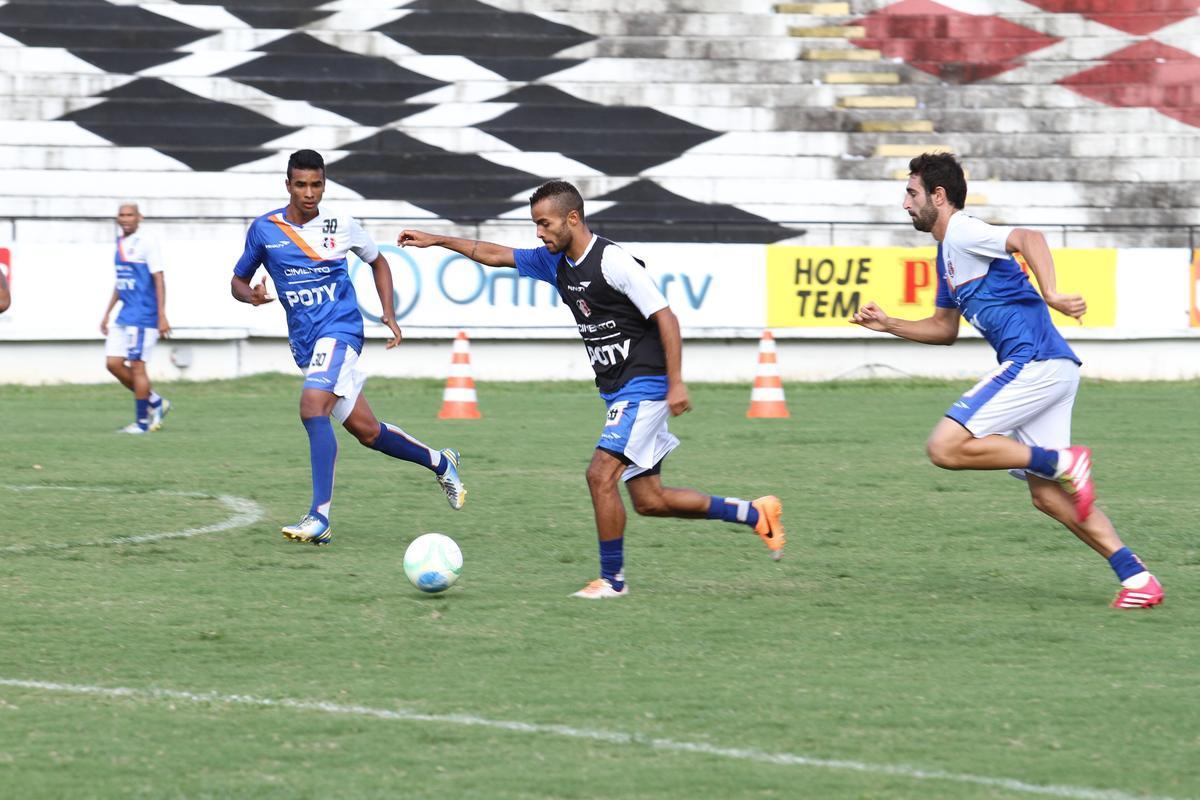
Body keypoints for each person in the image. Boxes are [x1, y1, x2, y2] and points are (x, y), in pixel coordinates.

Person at [398, 180, 785, 599]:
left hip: (646, 384)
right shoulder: (555, 262)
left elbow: (666, 318)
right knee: (650, 500)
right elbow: (495, 255)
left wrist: (675, 383)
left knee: (600, 475)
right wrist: (437, 239)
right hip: (619, 391)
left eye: (544, 224)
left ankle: (612, 581)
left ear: (572, 218)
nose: (539, 233)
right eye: (535, 225)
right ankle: (755, 513)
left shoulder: (613, 261)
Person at [850, 152, 1162, 609]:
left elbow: (1028, 237)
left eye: (911, 193)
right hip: (1050, 368)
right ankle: (1138, 579)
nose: (905, 204)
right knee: (1047, 497)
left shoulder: (962, 229)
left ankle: (1062, 461)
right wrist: (890, 324)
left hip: (1033, 361)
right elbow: (944, 329)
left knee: (943, 447)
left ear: (939, 196)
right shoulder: (947, 255)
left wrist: (1051, 292)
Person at [231, 149, 465, 546]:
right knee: (368, 432)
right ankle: (441, 462)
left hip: (340, 331)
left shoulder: (341, 226)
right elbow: (237, 280)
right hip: (306, 344)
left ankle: (319, 517)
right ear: (287, 185)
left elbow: (378, 262)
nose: (309, 193)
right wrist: (250, 296)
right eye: (301, 184)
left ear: (324, 184)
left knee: (311, 408)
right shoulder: (264, 230)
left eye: (317, 184)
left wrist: (388, 312)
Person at [100, 202, 171, 434]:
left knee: (138, 367)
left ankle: (141, 423)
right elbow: (121, 282)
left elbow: (159, 279)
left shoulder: (147, 242)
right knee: (113, 363)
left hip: (143, 315)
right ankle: (155, 401)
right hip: (124, 315)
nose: (125, 218)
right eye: (122, 215)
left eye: (130, 214)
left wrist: (162, 315)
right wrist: (107, 313)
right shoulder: (121, 243)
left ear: (139, 217)